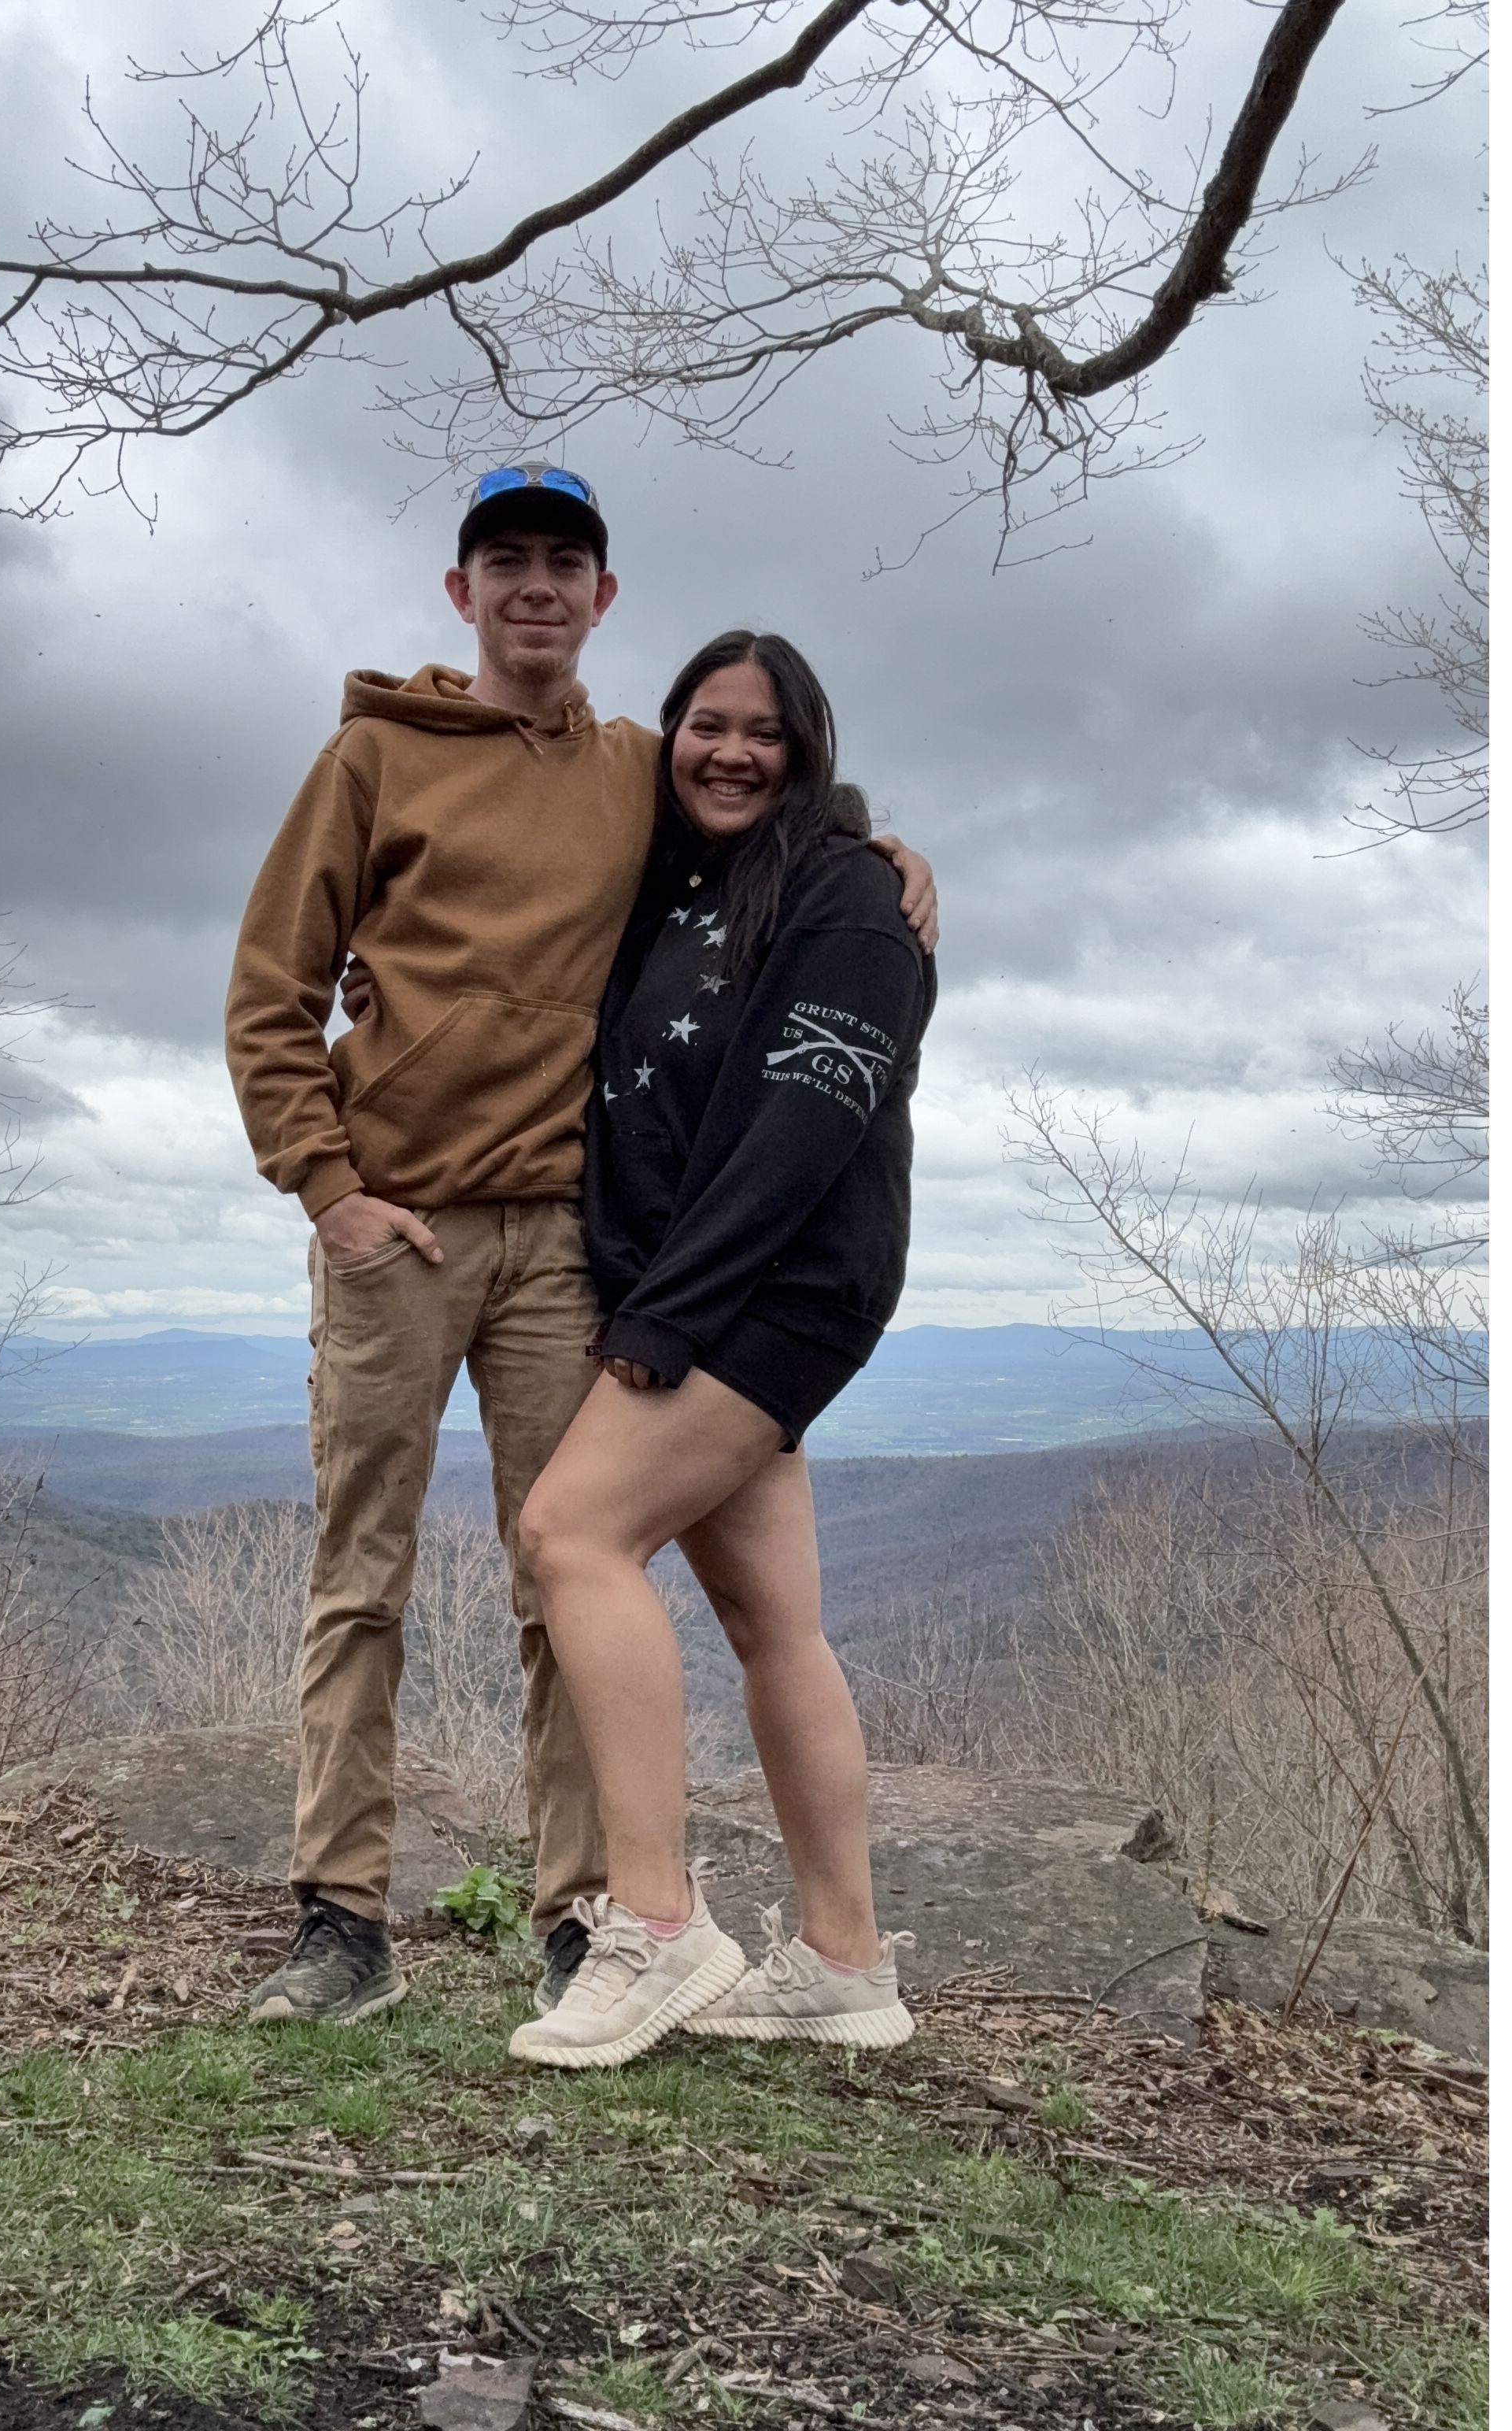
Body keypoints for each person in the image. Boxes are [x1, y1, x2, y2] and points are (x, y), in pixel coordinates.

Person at [222, 471, 938, 2025]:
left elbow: (759, 828)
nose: (536, 587)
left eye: (565, 564)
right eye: (507, 563)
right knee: (361, 1575)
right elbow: (271, 987)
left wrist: (874, 849)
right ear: (462, 591)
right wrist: (326, 1188)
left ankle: (584, 1917)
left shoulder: (634, 771)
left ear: (603, 598)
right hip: (397, 1226)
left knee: (565, 1570)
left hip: (566, 1238)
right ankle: (342, 1920)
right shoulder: (370, 759)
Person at [506, 630, 935, 2070]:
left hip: (771, 1290)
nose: (733, 752)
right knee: (773, 1624)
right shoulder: (682, 892)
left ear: (806, 747)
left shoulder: (848, 896)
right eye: (707, 724)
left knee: (572, 1534)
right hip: (710, 1285)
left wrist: (666, 1316)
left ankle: (655, 1923)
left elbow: (804, 1129)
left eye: (764, 730)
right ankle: (845, 1964)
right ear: (673, 735)